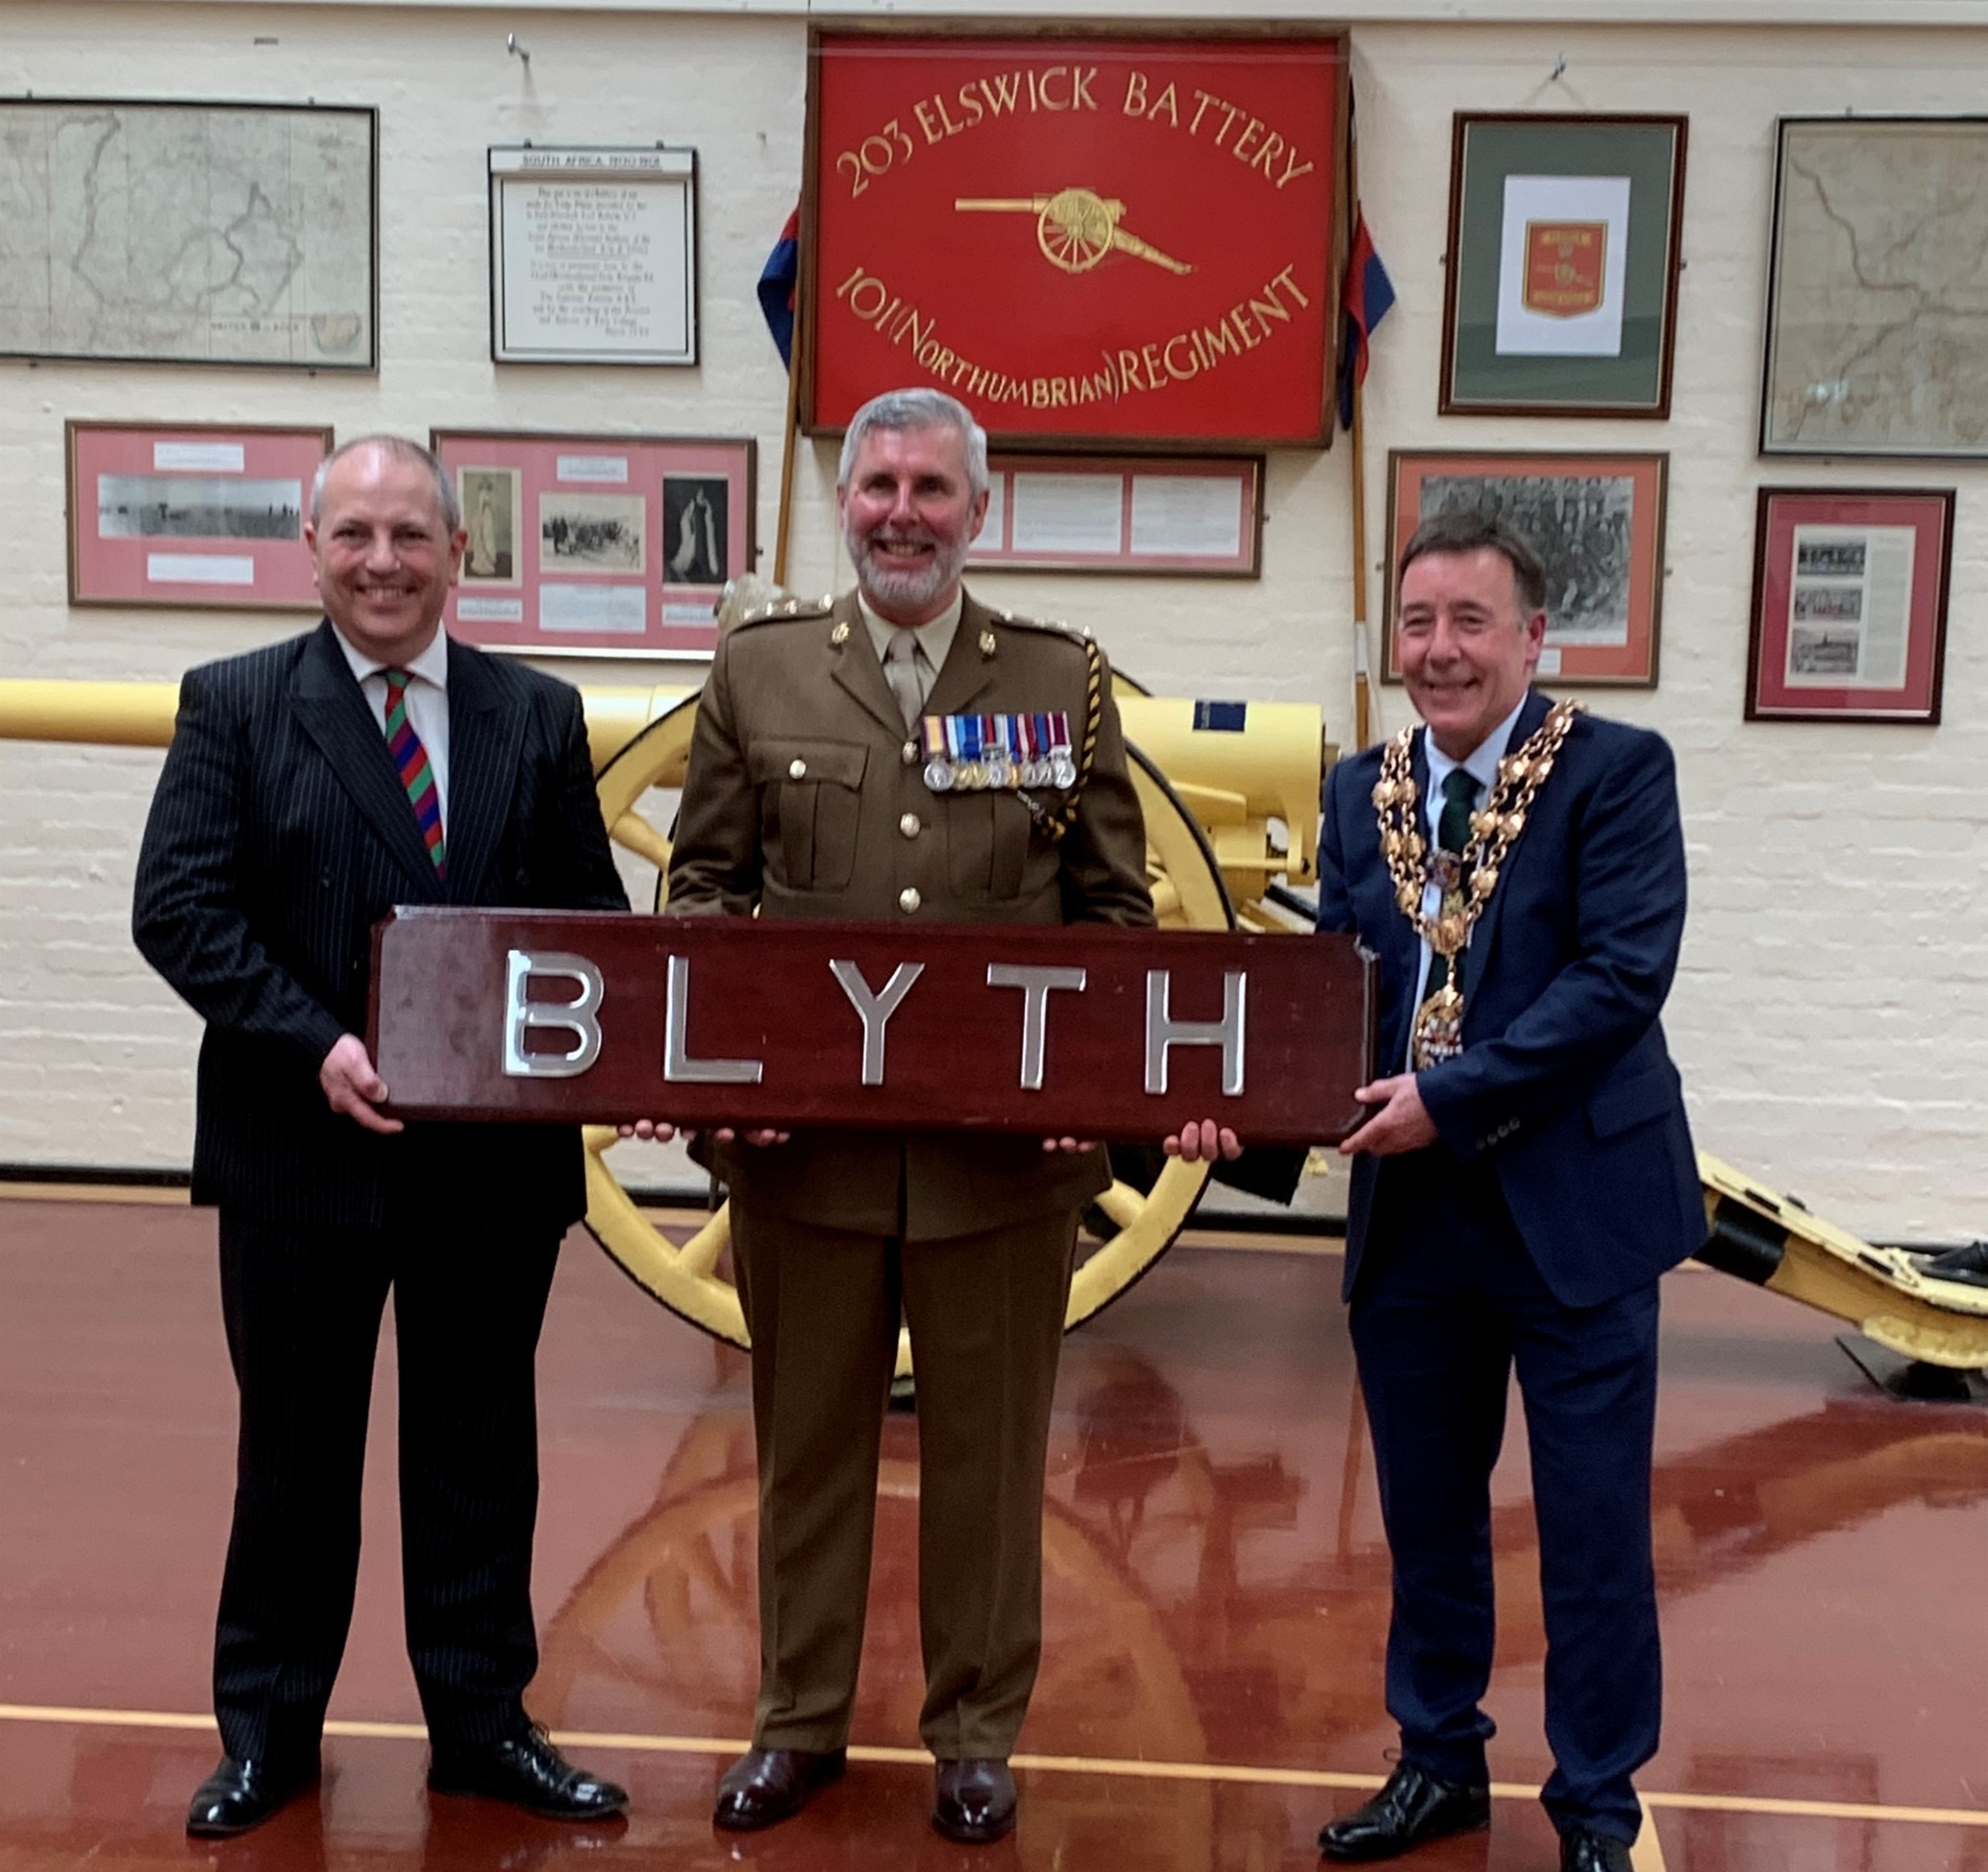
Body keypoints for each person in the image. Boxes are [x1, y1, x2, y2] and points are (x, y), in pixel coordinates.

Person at [654, 387, 1238, 1844]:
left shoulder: (1062, 678)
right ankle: (796, 1723)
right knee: (802, 1456)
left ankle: (977, 1732)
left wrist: (1091, 1094)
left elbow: (1113, 912)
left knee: (990, 1464)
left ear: (980, 512)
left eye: (932, 488)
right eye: (878, 487)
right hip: (808, 1162)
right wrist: (729, 1097)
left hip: (1000, 1171)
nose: (902, 512)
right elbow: (702, 898)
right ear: (846, 504)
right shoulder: (760, 675)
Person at [132, 436, 632, 1837]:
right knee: (291, 1462)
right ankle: (269, 1740)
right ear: (311, 546)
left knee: (480, 1461)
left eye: (410, 535)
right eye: (354, 534)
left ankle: (482, 1727)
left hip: (489, 1164)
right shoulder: (234, 706)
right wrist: (318, 1044)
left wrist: (637, 1052)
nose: (382, 562)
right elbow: (178, 910)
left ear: (458, 553)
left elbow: (587, 932)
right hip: (302, 1153)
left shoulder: (537, 716)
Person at [1311, 512, 1702, 1872]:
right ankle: (1437, 1761)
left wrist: (1449, 1099)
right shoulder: (1361, 790)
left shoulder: (1615, 773)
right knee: (1424, 1516)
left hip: (1575, 1210)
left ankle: (1597, 1800)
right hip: (1415, 1222)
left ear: (1537, 637)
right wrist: (1234, 1117)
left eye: (1472, 623)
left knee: (1592, 1525)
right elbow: (1327, 995)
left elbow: (1618, 981)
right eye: (1418, 624)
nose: (1441, 651)